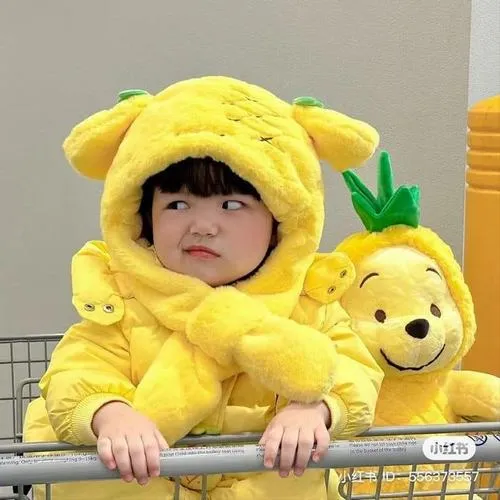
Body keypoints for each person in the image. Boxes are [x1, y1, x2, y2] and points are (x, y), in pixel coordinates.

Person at [23, 76, 384, 500]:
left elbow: (355, 370)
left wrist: (315, 410)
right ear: (143, 217)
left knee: (301, 476)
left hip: (260, 476)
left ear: (281, 223)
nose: (203, 226)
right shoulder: (122, 297)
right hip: (147, 475)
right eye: (177, 204)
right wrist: (111, 415)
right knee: (90, 474)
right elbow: (79, 368)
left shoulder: (309, 303)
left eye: (232, 205)